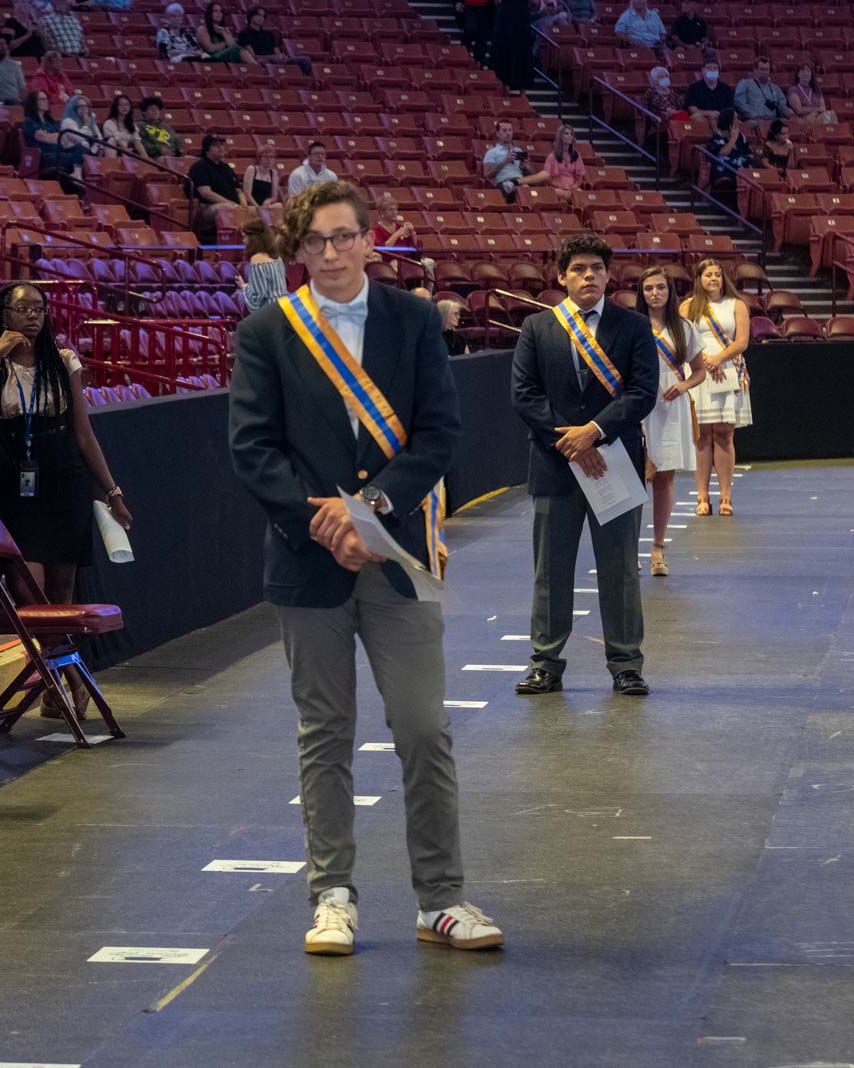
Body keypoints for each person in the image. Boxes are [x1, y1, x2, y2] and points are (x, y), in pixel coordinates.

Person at [227, 181, 498, 962]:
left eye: (344, 237)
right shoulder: (267, 332)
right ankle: (332, 897)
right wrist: (321, 524)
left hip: (397, 556)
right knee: (325, 734)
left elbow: (440, 432)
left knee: (424, 728)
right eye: (315, 241)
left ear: (369, 240)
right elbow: (252, 447)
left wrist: (368, 509)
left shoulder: (413, 319)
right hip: (307, 561)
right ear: (297, 249)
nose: (332, 253)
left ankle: (440, 900)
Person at [0, 283, 129, 722]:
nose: (33, 315)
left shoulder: (62, 361)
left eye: (39, 308)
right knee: (28, 593)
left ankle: (52, 689)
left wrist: (112, 491)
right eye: (23, 308)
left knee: (62, 594)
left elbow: (84, 433)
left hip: (64, 481)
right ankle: (71, 678)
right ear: (4, 314)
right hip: (15, 486)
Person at [510, 232, 657, 697]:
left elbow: (643, 392)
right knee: (551, 571)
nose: (588, 275)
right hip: (555, 465)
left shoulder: (633, 326)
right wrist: (573, 442)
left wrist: (593, 431)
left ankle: (626, 664)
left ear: (609, 276)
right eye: (578, 269)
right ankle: (545, 663)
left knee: (620, 569)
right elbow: (524, 395)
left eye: (596, 268)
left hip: (615, 462)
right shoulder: (537, 327)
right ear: (561, 277)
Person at [637, 265, 705, 577]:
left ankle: (657, 548)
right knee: (634, 478)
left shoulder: (684, 327)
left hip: (671, 406)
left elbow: (699, 371)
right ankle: (627, 548)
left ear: (670, 291)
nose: (655, 293)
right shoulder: (632, 325)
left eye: (660, 287)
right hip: (638, 404)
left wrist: (684, 385)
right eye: (649, 288)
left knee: (664, 478)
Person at [682, 258, 751, 517]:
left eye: (717, 274)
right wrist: (705, 361)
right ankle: (702, 496)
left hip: (727, 370)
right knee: (701, 436)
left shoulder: (737, 305)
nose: (713, 278)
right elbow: (682, 340)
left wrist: (718, 358)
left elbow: (742, 342)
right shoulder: (687, 306)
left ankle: (725, 496)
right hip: (698, 371)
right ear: (699, 279)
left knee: (724, 434)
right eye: (708, 274)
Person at [188, 134, 247, 236]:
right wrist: (232, 204)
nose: (220, 148)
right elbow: (206, 193)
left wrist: (244, 206)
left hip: (233, 205)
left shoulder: (226, 167)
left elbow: (238, 191)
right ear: (207, 150)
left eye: (221, 144)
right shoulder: (200, 166)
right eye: (216, 145)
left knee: (255, 211)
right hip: (208, 207)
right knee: (229, 208)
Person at [23, 88, 80, 182]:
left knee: (81, 149)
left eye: (46, 99)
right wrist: (53, 137)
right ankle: (78, 180)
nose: (46, 101)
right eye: (42, 99)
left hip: (59, 152)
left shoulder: (51, 121)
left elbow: (62, 138)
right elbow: (41, 137)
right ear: (34, 102)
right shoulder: (29, 121)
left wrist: (51, 136)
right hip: (44, 156)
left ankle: (78, 178)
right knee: (76, 159)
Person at [237, 6, 312, 75]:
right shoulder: (244, 33)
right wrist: (272, 57)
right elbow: (252, 56)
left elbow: (276, 51)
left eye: (263, 16)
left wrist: (281, 57)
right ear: (251, 16)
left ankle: (304, 81)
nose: (261, 18)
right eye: (258, 15)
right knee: (266, 62)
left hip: (275, 60)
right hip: (262, 60)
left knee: (305, 60)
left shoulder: (269, 34)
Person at [237, 217, 286, 314]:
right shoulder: (277, 257)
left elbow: (256, 298)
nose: (243, 241)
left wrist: (243, 287)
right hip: (282, 308)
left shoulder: (257, 259)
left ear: (253, 239)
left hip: (269, 313)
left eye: (245, 237)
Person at [482, 119, 537, 203]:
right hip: (503, 183)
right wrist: (505, 161)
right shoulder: (492, 152)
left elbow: (530, 174)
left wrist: (524, 167)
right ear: (497, 134)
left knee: (528, 187)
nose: (508, 133)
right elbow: (487, 175)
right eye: (504, 130)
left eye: (510, 130)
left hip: (520, 181)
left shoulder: (518, 150)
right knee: (523, 189)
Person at [734, 56, 791, 132]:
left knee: (789, 123)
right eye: (762, 69)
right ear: (755, 70)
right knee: (755, 124)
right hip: (754, 119)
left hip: (772, 119)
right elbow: (739, 102)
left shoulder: (775, 88)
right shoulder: (745, 84)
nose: (765, 72)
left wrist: (791, 115)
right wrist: (754, 116)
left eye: (767, 69)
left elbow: (782, 105)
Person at [540, 124, 587, 202]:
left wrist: (574, 186)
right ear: (560, 137)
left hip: (572, 188)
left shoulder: (577, 155)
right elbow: (546, 177)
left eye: (571, 134)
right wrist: (559, 186)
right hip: (556, 187)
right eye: (566, 134)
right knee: (560, 194)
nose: (570, 136)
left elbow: (580, 177)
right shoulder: (552, 156)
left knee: (580, 194)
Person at [705, 107, 750, 182]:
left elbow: (747, 153)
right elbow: (724, 152)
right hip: (724, 170)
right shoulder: (717, 138)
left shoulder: (740, 137)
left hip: (742, 169)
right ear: (728, 121)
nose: (738, 121)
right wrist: (733, 138)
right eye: (735, 119)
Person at [683, 58, 733, 124]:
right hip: (703, 119)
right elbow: (693, 110)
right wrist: (710, 113)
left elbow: (730, 110)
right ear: (703, 70)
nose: (712, 70)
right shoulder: (693, 88)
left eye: (715, 68)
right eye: (709, 68)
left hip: (721, 119)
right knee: (696, 117)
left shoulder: (727, 89)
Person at [368, 191, 413, 259]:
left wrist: (412, 233)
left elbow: (412, 248)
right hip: (386, 261)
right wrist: (396, 235)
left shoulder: (400, 227)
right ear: (382, 212)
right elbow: (381, 250)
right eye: (390, 210)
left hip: (403, 260)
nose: (394, 212)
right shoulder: (375, 230)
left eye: (395, 209)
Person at [101, 92, 146, 157]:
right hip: (115, 151)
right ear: (116, 107)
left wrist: (145, 157)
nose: (125, 107)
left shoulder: (131, 124)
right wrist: (126, 150)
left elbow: (137, 141)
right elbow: (116, 140)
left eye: (127, 105)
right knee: (112, 140)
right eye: (121, 105)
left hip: (127, 151)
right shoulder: (109, 123)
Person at [28, 48, 73, 112]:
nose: (60, 64)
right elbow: (42, 97)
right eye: (57, 61)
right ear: (48, 63)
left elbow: (70, 90)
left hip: (67, 104)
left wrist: (68, 98)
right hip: (50, 108)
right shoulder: (39, 77)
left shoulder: (62, 76)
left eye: (60, 61)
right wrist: (59, 98)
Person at [640, 66, 680, 137]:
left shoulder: (674, 94)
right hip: (658, 121)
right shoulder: (649, 92)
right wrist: (660, 115)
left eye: (666, 76)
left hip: (675, 120)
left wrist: (673, 112)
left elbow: (681, 107)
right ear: (654, 80)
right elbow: (643, 108)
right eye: (661, 77)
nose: (665, 78)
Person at [58, 92, 102, 157]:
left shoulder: (90, 120)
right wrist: (86, 125)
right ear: (74, 108)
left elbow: (99, 137)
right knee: (83, 146)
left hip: (90, 152)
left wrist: (97, 146)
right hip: (73, 153)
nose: (84, 108)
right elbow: (79, 139)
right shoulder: (68, 122)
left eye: (86, 106)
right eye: (80, 106)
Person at [455, 0, 495, 67]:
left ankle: (479, 67)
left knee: (482, 40)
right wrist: (457, 2)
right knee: (468, 36)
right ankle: (462, 65)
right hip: (467, 7)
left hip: (485, 8)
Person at [242, 142, 281, 207]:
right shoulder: (252, 169)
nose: (269, 160)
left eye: (271, 157)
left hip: (265, 205)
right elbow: (247, 194)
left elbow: (274, 197)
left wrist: (269, 201)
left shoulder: (274, 173)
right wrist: (258, 207)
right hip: (252, 205)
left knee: (279, 205)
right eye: (266, 157)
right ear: (260, 158)